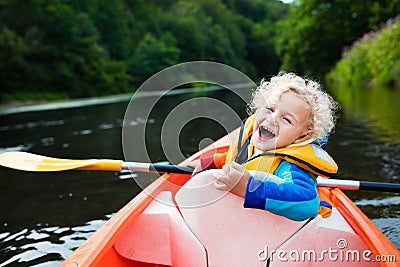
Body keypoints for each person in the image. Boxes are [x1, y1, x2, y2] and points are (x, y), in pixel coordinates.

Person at [185, 72, 339, 221]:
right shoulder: (252, 141)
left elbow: (307, 203)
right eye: (270, 109)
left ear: (302, 136)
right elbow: (240, 159)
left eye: (286, 119)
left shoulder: (290, 166)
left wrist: (249, 187)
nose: (272, 118)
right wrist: (212, 162)